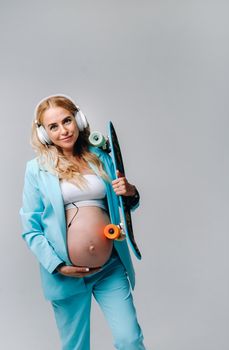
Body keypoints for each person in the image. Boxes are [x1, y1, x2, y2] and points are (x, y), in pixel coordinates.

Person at [19, 94, 146, 350]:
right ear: (43, 133)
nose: (63, 130)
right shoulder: (36, 169)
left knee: (129, 339)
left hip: (109, 266)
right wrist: (57, 266)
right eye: (53, 126)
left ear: (78, 119)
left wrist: (130, 192)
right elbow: (30, 228)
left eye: (67, 121)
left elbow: (123, 204)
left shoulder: (100, 156)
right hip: (66, 274)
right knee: (76, 346)